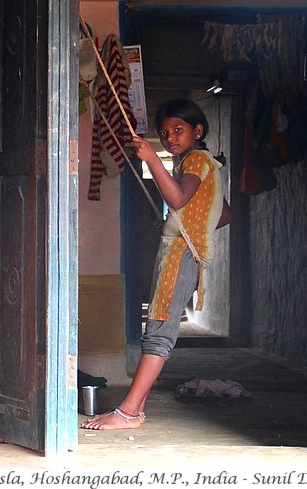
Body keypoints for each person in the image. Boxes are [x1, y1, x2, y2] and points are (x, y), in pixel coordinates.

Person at [81, 98, 230, 430]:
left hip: (181, 256)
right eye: (164, 133)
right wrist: (180, 224)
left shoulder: (197, 161)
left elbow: (177, 198)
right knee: (157, 329)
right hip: (184, 252)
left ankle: (128, 413)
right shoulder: (202, 164)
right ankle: (137, 409)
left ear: (198, 131)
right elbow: (223, 212)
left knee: (158, 333)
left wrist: (152, 161)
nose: (170, 138)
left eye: (178, 130)